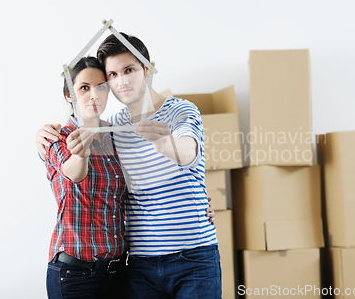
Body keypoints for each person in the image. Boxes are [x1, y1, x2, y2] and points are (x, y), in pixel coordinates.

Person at [37, 33, 222, 299]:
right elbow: (70, 162)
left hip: (193, 257)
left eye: (129, 70)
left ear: (147, 70)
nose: (121, 81)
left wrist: (166, 144)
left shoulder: (181, 111)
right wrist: (40, 139)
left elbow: (190, 150)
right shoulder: (112, 129)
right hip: (139, 265)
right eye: (112, 75)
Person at [44, 57, 128, 299]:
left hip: (118, 274)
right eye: (84, 87)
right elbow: (74, 173)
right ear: (69, 94)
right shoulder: (56, 137)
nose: (94, 95)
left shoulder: (116, 137)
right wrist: (81, 154)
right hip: (73, 276)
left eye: (101, 86)